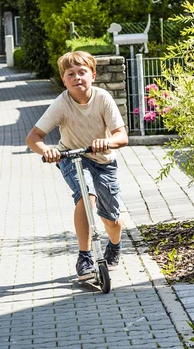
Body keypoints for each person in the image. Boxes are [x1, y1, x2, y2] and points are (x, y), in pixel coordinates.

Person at [26, 51, 129, 280]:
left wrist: (107, 142)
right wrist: (48, 150)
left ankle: (114, 245)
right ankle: (84, 256)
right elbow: (33, 137)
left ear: (92, 75)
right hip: (72, 157)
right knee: (86, 195)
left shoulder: (102, 98)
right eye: (70, 74)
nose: (77, 78)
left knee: (111, 219)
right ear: (64, 80)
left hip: (103, 161)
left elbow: (122, 137)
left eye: (82, 72)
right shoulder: (61, 104)